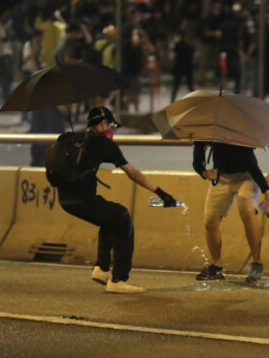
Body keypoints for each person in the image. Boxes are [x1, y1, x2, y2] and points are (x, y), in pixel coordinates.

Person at [57, 106, 179, 293]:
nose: (111, 131)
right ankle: (119, 280)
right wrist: (161, 193)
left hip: (65, 199)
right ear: (103, 123)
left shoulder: (71, 139)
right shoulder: (104, 144)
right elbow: (133, 174)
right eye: (111, 126)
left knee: (110, 217)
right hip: (82, 200)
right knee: (122, 217)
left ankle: (102, 269)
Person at [192, 140, 269, 283]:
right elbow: (197, 161)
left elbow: (253, 166)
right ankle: (216, 266)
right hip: (221, 177)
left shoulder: (238, 132)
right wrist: (204, 172)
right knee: (210, 222)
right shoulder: (209, 130)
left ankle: (257, 263)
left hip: (247, 176)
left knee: (247, 212)